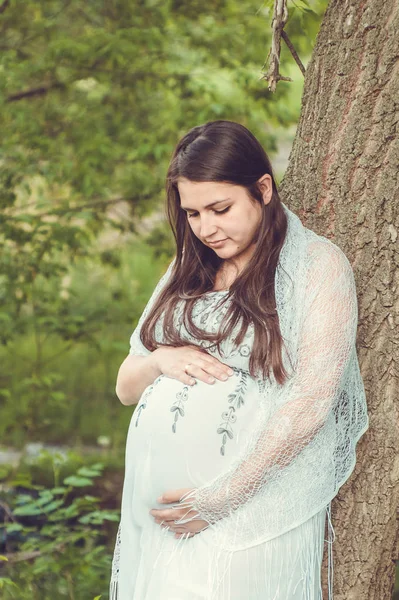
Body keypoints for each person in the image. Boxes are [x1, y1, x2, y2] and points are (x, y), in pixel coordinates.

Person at [109, 120, 369, 600]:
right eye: (192, 213)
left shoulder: (317, 266)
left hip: (248, 517)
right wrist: (161, 360)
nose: (206, 228)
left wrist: (219, 499)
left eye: (220, 208)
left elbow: (311, 402)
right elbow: (126, 386)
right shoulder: (187, 268)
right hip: (159, 522)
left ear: (263, 189)